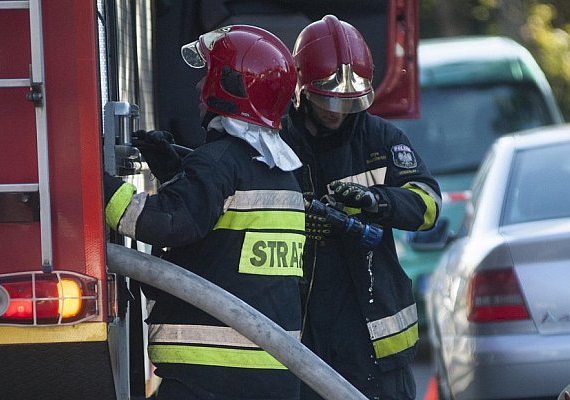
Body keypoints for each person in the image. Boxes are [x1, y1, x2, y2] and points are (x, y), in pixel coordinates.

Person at [103, 25, 306, 400]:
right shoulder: (281, 174)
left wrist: (95, 185)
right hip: (274, 372)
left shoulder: (219, 163)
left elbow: (167, 222)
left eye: (207, 75)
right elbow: (220, 244)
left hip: (210, 374)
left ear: (229, 86)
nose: (199, 87)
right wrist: (174, 173)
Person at [279, 15, 441, 400]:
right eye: (327, 99)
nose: (336, 110)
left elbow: (429, 204)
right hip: (301, 329)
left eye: (348, 100)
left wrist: (378, 201)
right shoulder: (277, 142)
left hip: (374, 340)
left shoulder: (381, 140)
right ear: (301, 87)